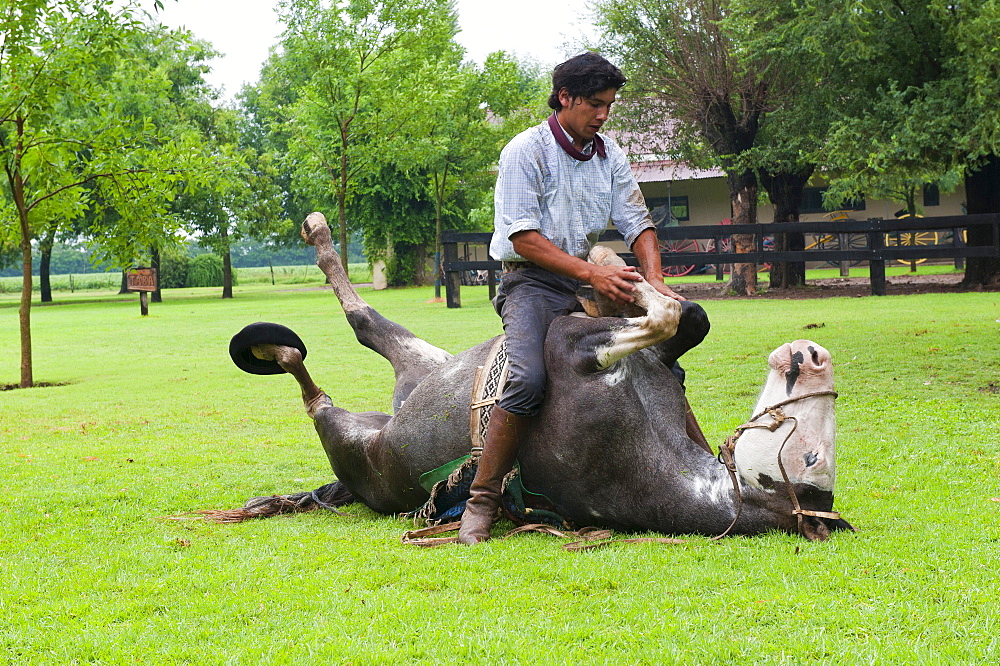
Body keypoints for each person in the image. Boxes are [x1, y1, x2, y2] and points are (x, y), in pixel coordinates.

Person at [457, 52, 688, 545]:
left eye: (609, 106)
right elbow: (522, 238)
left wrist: (655, 279)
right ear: (565, 98)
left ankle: (698, 461)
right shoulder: (525, 151)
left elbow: (638, 221)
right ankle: (482, 501)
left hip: (587, 279)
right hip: (531, 283)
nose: (603, 115)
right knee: (527, 380)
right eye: (595, 105)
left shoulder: (610, 155)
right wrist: (592, 274)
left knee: (662, 353)